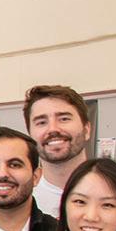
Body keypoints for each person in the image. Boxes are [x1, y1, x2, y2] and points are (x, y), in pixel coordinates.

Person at [25, 83, 93, 211]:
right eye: (41, 122)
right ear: (30, 135)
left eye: (64, 119)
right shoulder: (22, 204)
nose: (53, 129)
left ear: (87, 129)